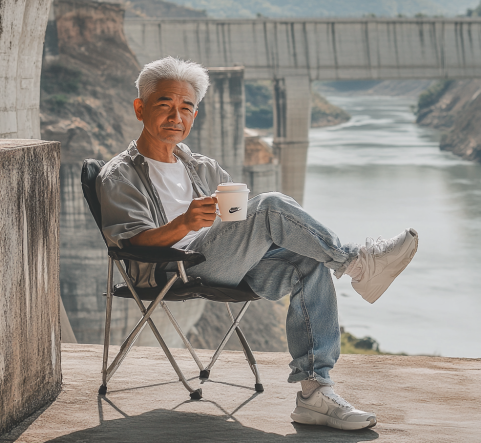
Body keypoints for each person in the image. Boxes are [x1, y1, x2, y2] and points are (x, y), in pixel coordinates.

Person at [96, 57, 419, 431]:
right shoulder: (119, 174)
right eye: (164, 104)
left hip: (223, 263)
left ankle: (314, 394)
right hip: (169, 270)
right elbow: (131, 241)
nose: (176, 115)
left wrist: (229, 226)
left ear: (194, 115)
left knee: (307, 261)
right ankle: (357, 265)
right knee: (270, 205)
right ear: (140, 108)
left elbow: (235, 226)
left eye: (186, 107)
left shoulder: (203, 168)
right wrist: (184, 222)